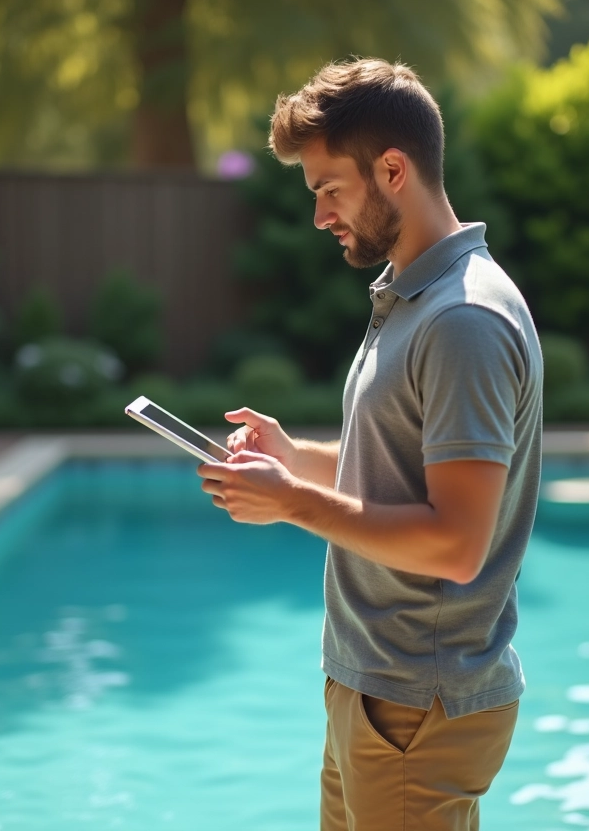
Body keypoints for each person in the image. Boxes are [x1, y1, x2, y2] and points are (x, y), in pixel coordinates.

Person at [196, 58, 543, 831]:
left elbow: (456, 543)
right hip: (374, 687)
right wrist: (292, 457)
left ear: (393, 169)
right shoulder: (411, 296)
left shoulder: (463, 320)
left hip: (418, 701)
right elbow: (396, 470)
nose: (320, 215)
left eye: (330, 190)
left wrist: (292, 505)